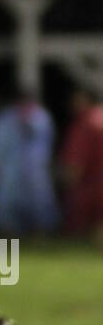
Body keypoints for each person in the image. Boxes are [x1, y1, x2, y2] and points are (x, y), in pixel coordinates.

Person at [0, 89, 59, 235]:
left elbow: (48, 144)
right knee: (8, 204)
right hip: (10, 171)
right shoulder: (4, 120)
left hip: (36, 170)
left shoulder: (42, 118)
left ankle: (41, 234)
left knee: (40, 203)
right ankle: (10, 235)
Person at [59, 88, 103, 245]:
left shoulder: (86, 123)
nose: (72, 104)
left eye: (76, 100)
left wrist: (65, 186)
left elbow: (75, 165)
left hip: (92, 189)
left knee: (80, 240)